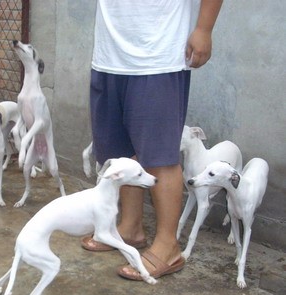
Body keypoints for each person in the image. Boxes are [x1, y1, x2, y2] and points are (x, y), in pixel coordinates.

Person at [81, 0, 223, 280]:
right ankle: (130, 228)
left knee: (159, 157)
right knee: (119, 153)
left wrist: (204, 28)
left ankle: (169, 246)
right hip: (109, 56)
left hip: (158, 57)